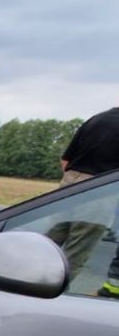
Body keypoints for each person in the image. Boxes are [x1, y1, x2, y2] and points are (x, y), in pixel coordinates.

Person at [47, 106, 119, 287]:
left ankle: (22, 281)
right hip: (101, 191)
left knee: (48, 244)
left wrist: (75, 180)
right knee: (75, 254)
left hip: (69, 184)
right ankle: (52, 292)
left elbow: (66, 159)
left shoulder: (97, 119)